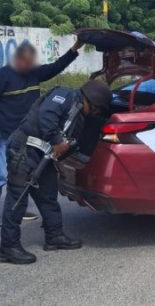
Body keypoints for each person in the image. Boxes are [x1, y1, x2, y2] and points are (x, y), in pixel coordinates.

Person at [0, 80, 112, 264]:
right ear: (91, 101)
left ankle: (55, 236)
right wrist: (57, 141)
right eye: (96, 110)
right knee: (17, 198)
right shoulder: (65, 95)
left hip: (42, 154)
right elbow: (46, 115)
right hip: (23, 149)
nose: (95, 114)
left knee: (48, 195)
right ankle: (8, 246)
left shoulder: (77, 114)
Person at [0, 39, 83, 220]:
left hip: (27, 135)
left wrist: (74, 49)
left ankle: (18, 210)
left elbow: (56, 67)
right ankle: (7, 214)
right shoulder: (3, 75)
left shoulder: (34, 73)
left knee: (22, 173)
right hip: (6, 135)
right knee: (5, 175)